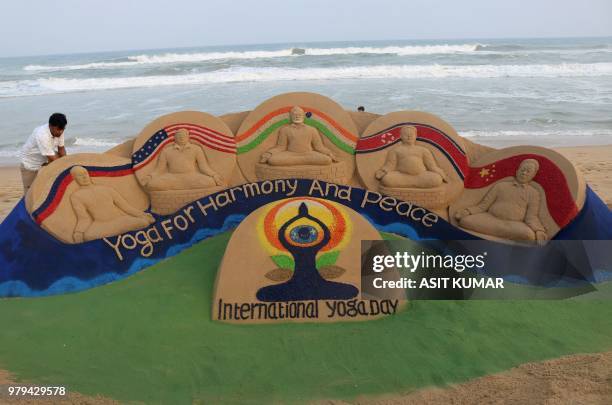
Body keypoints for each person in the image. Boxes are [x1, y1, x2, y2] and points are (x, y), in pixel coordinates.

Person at [455, 159, 547, 242]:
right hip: (490, 219)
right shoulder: (501, 186)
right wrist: (467, 211)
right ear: (517, 171)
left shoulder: (533, 193)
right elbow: (483, 206)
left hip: (513, 225)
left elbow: (531, 217)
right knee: (465, 220)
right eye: (522, 170)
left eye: (528, 172)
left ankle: (496, 234)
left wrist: (538, 230)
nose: (524, 173)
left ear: (533, 175)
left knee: (529, 235)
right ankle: (497, 233)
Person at [70, 166, 155, 243]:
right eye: (80, 175)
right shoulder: (76, 196)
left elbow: (125, 207)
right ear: (74, 178)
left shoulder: (106, 189)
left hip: (120, 220)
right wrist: (79, 232)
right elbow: (83, 218)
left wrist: (143, 215)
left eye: (85, 173)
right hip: (102, 225)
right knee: (88, 236)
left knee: (144, 222)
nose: (84, 177)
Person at [143, 128, 223, 191]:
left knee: (210, 182)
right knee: (152, 184)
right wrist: (149, 177)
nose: (181, 137)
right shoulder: (166, 151)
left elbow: (203, 167)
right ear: (175, 138)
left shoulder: (196, 149)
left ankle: (180, 186)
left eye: (183, 135)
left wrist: (214, 175)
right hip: (173, 178)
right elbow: (159, 169)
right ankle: (178, 186)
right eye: (179, 136)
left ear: (188, 137)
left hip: (192, 177)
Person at [260, 106, 337, 166]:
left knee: (327, 160)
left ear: (303, 116)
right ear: (291, 116)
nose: (297, 116)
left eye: (299, 115)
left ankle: (301, 161)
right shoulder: (285, 130)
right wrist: (269, 153)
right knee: (273, 160)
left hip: (308, 154)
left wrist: (328, 153)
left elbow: (318, 147)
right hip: (290, 154)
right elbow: (281, 147)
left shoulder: (312, 129)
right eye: (295, 115)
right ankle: (303, 161)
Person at [375, 126, 448, 188]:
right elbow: (390, 165)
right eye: (406, 134)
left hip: (421, 176)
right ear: (401, 136)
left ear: (415, 136)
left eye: (411, 134)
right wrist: (383, 171)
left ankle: (414, 183)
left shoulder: (423, 150)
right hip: (402, 176)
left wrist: (441, 174)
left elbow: (431, 166)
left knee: (437, 179)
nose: (409, 136)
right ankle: (412, 183)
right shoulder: (395, 150)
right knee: (387, 179)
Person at [19, 113, 68, 194]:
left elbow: (61, 149)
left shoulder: (60, 130)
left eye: (63, 129)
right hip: (29, 164)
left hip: (44, 157)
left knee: (63, 160)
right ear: (51, 126)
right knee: (30, 193)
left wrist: (67, 163)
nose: (61, 132)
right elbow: (52, 159)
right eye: (59, 129)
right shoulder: (42, 135)